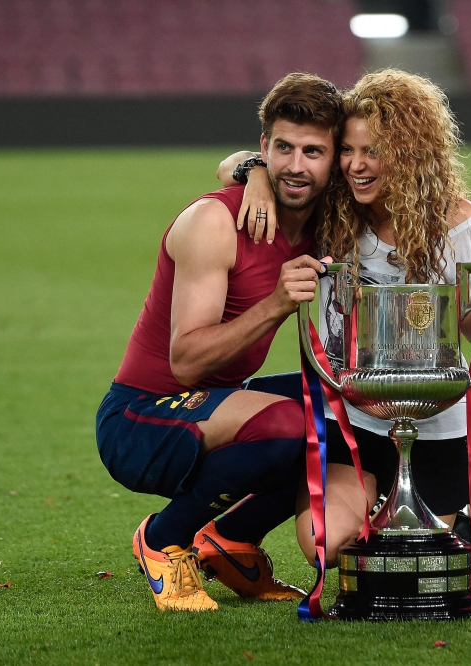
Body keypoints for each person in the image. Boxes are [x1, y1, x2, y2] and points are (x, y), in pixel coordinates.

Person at [218, 69, 471, 568]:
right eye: (348, 151)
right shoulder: (330, 207)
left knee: (421, 560)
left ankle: (458, 516)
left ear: (409, 152)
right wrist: (255, 174)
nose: (356, 166)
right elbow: (231, 162)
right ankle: (248, 525)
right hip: (352, 414)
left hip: (433, 422)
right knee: (330, 544)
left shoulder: (459, 221)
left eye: (373, 152)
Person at [95, 73, 344, 611]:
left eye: (312, 151)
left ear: (334, 159)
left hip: (221, 404)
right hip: (142, 417)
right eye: (281, 148)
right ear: (264, 147)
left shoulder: (325, 218)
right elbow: (185, 362)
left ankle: (230, 541)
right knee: (290, 425)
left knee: (347, 409)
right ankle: (162, 541)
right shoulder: (215, 220)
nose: (295, 165)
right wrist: (277, 303)